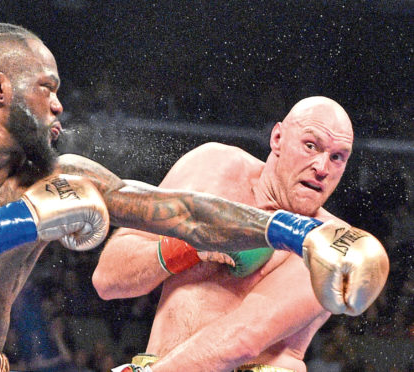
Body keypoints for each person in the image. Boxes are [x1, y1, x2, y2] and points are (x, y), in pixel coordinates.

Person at [0, 22, 386, 371]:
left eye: (337, 157)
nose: (59, 106)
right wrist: (21, 220)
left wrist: (299, 232)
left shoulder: (62, 176)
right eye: (47, 88)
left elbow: (185, 213)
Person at [94, 97, 388, 372]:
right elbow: (107, 279)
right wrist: (187, 245)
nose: (322, 168)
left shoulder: (328, 243)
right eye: (311, 146)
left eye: (337, 157)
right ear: (277, 139)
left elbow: (242, 340)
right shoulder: (210, 168)